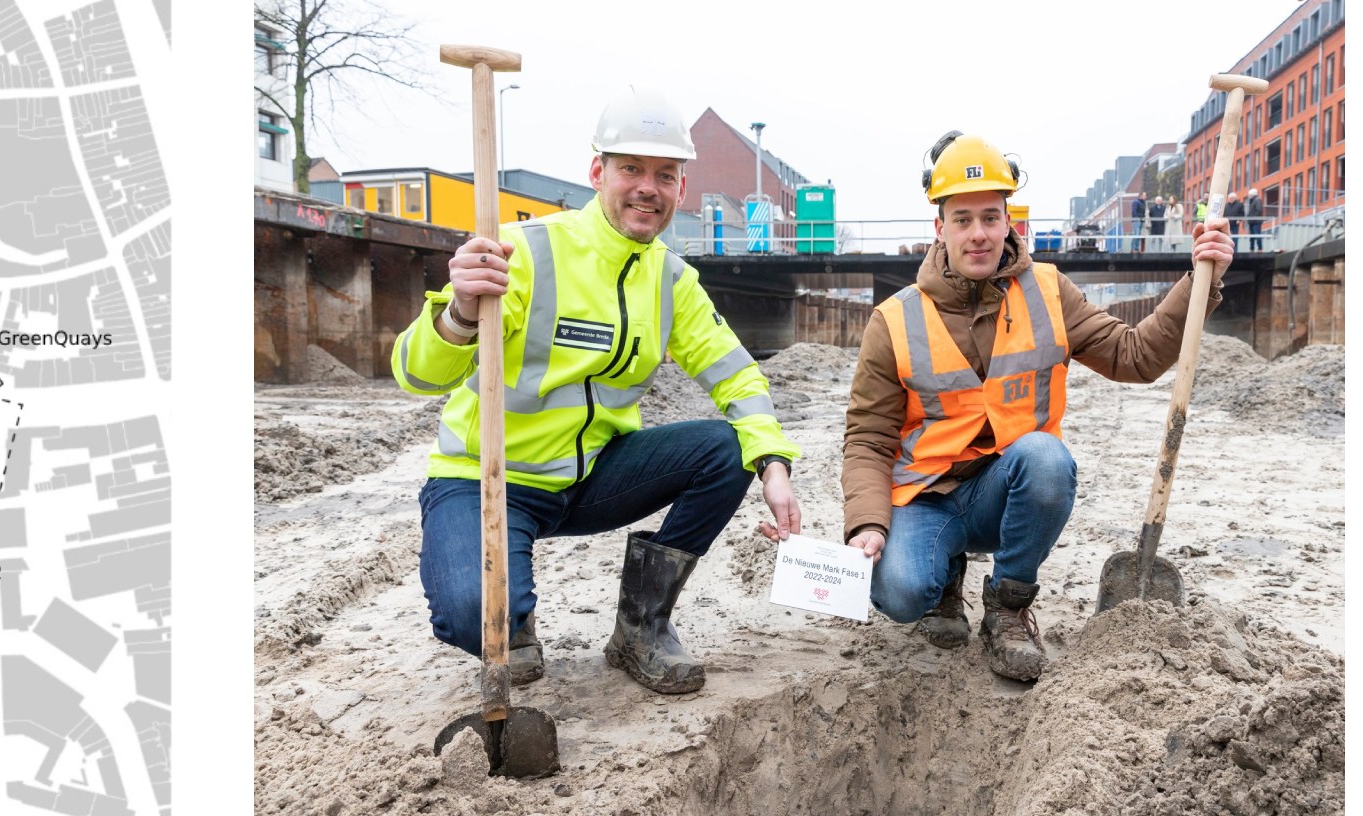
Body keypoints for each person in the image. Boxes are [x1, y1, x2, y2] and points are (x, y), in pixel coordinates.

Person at [392, 86, 804, 694]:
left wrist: (772, 462)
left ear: (681, 189)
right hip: (488, 479)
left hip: (594, 477)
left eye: (664, 175)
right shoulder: (522, 252)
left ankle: (641, 627)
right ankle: (513, 617)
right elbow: (417, 376)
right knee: (475, 615)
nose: (647, 188)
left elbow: (736, 374)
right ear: (597, 173)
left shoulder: (672, 280)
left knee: (727, 448)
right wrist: (457, 313)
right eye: (631, 169)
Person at [842, 132, 1234, 682]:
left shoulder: (1049, 292)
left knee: (1048, 458)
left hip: (1005, 489)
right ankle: (943, 581)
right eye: (962, 219)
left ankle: (1007, 606)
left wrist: (1200, 280)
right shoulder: (894, 319)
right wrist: (866, 523)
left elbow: (1136, 356)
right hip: (923, 496)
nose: (978, 233)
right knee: (901, 592)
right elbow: (868, 437)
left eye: (990, 217)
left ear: (1009, 221)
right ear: (940, 227)